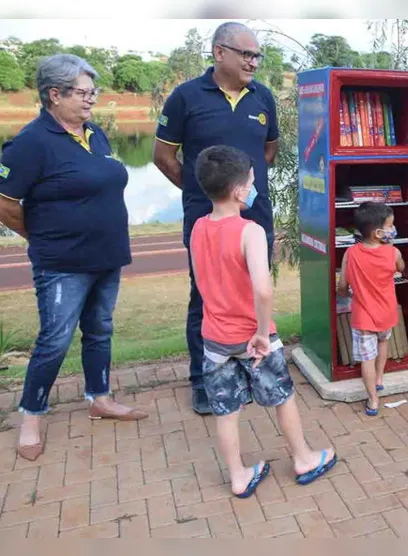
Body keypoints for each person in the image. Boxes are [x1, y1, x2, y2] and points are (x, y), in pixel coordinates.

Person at [0, 54, 147, 462]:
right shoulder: (30, 143)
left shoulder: (94, 133)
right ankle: (31, 416)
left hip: (106, 256)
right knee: (54, 340)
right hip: (62, 263)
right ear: (54, 95)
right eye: (82, 93)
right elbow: (6, 203)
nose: (91, 100)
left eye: (92, 92)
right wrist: (43, 236)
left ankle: (99, 398)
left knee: (99, 329)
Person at [190, 145, 337, 494]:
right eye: (253, 181)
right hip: (252, 337)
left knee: (225, 410)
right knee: (282, 396)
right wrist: (260, 333)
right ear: (240, 191)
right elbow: (264, 290)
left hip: (214, 337)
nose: (256, 187)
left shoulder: (197, 227)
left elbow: (200, 282)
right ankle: (303, 458)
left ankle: (238, 476)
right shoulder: (250, 231)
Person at [153, 21, 280, 415]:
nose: (254, 62)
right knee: (206, 296)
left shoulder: (264, 98)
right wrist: (204, 195)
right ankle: (203, 381)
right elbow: (163, 157)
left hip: (256, 217)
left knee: (257, 288)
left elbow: (269, 152)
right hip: (205, 219)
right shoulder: (185, 97)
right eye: (246, 54)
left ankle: (252, 368)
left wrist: (241, 198)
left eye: (257, 55)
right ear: (219, 52)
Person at [337, 202, 405, 416]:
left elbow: (341, 287)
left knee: (366, 358)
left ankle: (373, 401)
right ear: (378, 233)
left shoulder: (351, 254)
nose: (392, 229)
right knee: (383, 341)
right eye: (390, 226)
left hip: (363, 317)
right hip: (387, 313)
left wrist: (351, 295)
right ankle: (379, 379)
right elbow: (401, 268)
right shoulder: (393, 253)